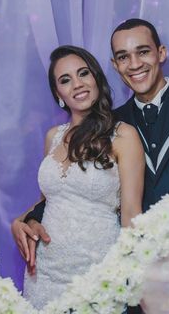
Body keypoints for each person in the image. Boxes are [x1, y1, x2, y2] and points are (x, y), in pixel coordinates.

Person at [14, 19, 169, 312]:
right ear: (114, 66)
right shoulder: (111, 124)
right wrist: (23, 220)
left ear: (161, 53)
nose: (134, 64)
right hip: (138, 283)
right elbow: (65, 194)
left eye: (143, 52)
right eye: (123, 57)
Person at [13, 45, 144, 310]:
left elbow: (132, 214)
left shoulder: (122, 135)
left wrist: (136, 282)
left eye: (83, 73)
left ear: (96, 78)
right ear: (58, 94)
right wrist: (19, 222)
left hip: (97, 274)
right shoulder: (53, 136)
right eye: (65, 80)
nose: (77, 84)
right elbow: (49, 200)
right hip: (44, 276)